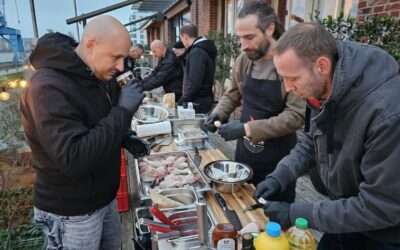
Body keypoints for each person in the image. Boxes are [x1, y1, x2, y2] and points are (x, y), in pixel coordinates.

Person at [255, 22, 400, 250]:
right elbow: (310, 142)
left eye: (292, 78)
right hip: (344, 216)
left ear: (321, 65)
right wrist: (280, 176)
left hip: (384, 234)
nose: (288, 88)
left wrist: (297, 213)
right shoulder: (320, 88)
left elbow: (380, 205)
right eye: (283, 78)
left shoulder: (388, 113)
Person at [20, 16, 145, 250]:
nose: (120, 67)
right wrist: (123, 111)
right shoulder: (47, 87)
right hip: (72, 211)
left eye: (124, 58)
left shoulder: (93, 75)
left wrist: (124, 137)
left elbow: (95, 123)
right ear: (90, 44)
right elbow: (74, 157)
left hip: (103, 198)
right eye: (115, 57)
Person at [205, 2, 305, 195]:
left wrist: (247, 129)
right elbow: (233, 93)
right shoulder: (245, 61)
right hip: (245, 154)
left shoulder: (290, 63)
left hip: (279, 160)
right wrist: (218, 113)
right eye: (240, 38)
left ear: (270, 29)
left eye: (249, 37)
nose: (243, 46)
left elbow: (295, 116)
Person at [178, 24, 217, 113]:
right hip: (203, 99)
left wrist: (182, 101)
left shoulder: (197, 53)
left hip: (198, 102)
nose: (182, 42)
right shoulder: (202, 49)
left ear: (185, 36)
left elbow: (194, 82)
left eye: (181, 39)